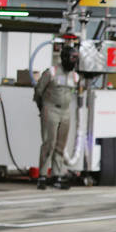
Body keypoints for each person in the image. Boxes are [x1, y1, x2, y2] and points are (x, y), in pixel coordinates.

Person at [33, 40, 80, 190]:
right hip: (50, 109)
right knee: (49, 143)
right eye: (72, 58)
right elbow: (39, 91)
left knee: (61, 145)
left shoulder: (75, 76)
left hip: (66, 112)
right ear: (64, 58)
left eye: (75, 58)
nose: (74, 62)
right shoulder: (51, 72)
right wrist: (43, 108)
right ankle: (42, 175)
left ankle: (57, 175)